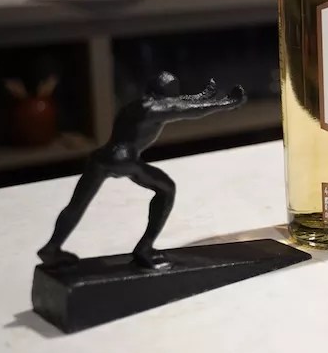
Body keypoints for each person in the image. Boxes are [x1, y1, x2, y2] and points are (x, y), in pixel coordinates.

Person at [37, 73, 246, 269]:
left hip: (101, 157)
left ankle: (52, 248)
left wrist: (201, 96)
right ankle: (145, 248)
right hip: (123, 160)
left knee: (76, 205)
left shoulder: (137, 104)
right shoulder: (155, 109)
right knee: (166, 189)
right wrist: (227, 103)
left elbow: (179, 104)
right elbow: (189, 111)